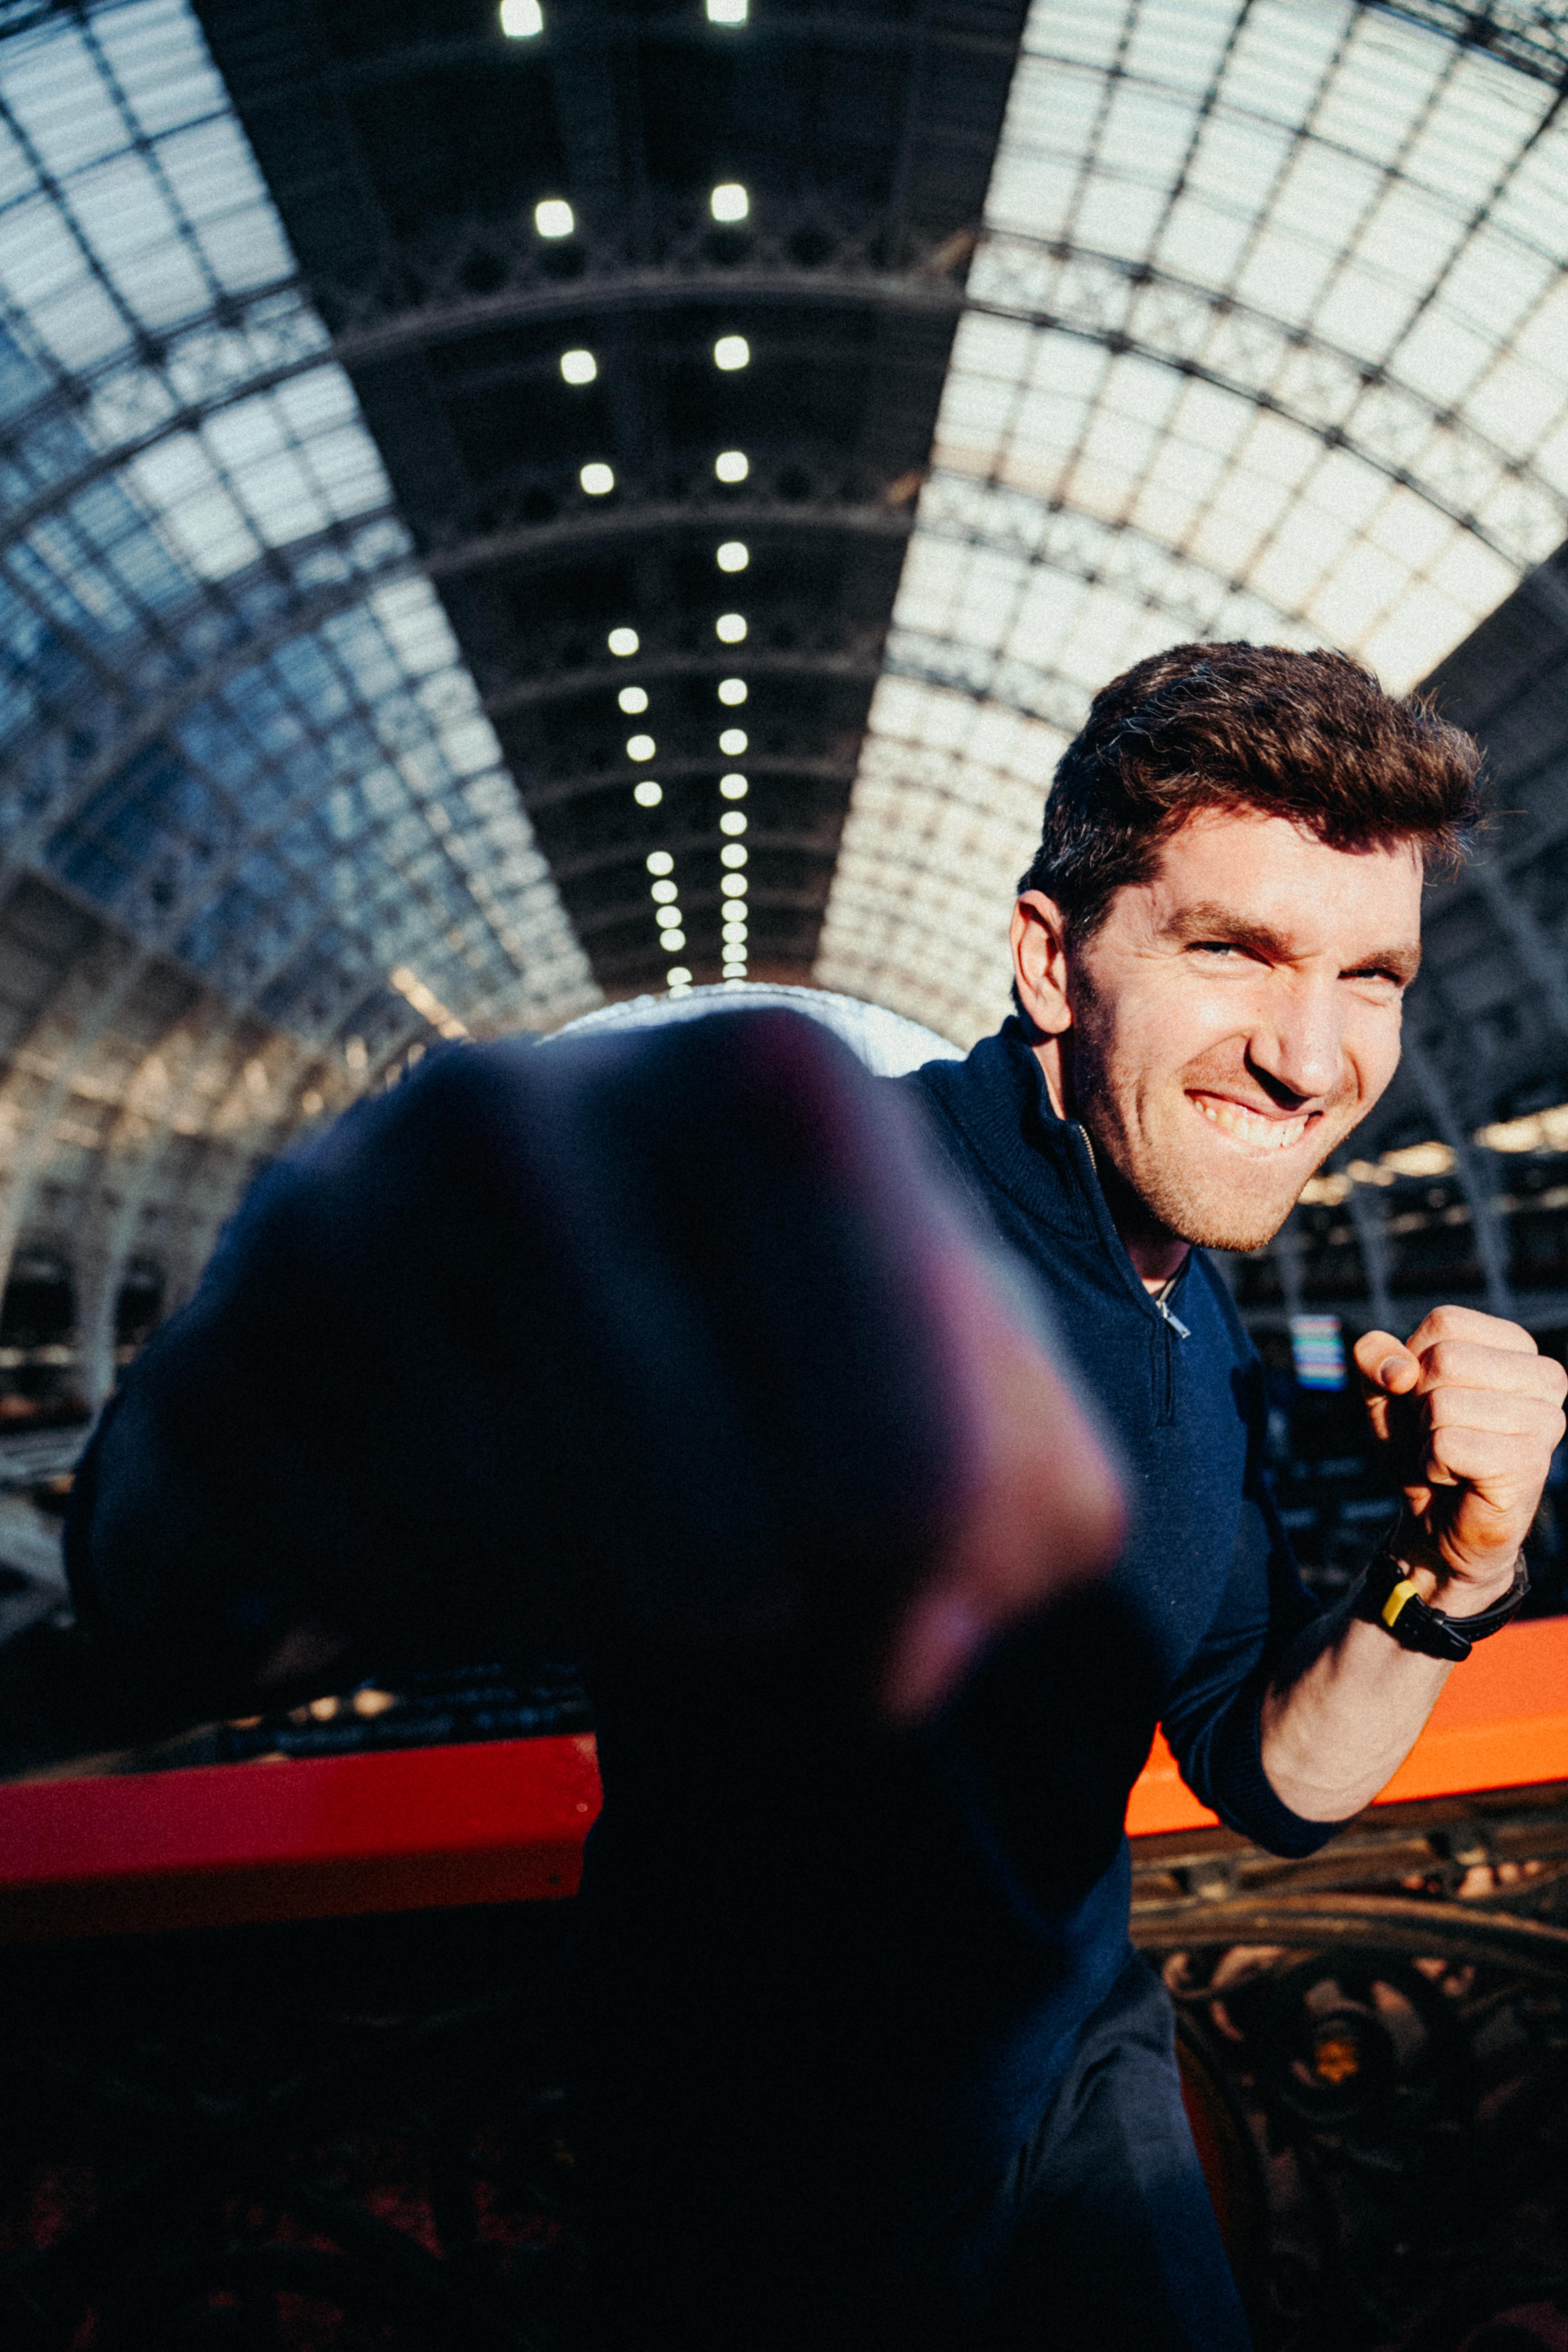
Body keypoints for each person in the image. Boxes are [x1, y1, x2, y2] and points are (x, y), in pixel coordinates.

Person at [63, 642, 1565, 2351]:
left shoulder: (1191, 1296)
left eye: (1372, 976)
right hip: (778, 2208)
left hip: (1086, 2107)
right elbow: (155, 1593)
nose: (1314, 1058)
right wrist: (329, 1314)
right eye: (1236, 951)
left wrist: (1453, 1565)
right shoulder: (837, 1221)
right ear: (1050, 962)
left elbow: (1273, 1770)